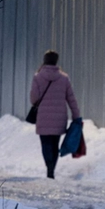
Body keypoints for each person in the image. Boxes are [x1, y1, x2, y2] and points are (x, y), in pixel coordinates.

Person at [30, 50, 80, 179]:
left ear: (45, 60)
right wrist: (76, 115)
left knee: (45, 144)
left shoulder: (38, 77)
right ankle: (51, 170)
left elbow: (33, 99)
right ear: (56, 61)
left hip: (43, 118)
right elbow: (71, 98)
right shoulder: (64, 78)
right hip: (59, 118)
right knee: (54, 145)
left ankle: (49, 167)